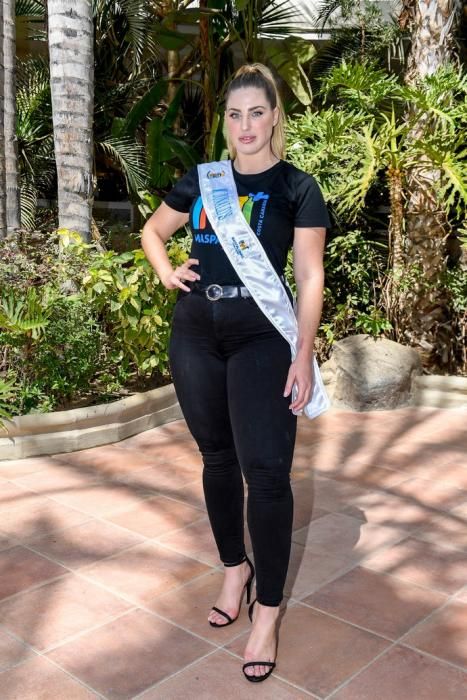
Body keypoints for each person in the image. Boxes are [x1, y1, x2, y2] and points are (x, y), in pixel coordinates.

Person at [141, 62, 330, 682]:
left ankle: (268, 613)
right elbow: (153, 231)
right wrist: (166, 269)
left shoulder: (298, 188)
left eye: (256, 112)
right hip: (196, 330)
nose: (245, 125)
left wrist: (303, 353)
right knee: (217, 460)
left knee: (268, 475)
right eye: (234, 114)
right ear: (225, 123)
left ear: (275, 116)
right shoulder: (204, 180)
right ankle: (234, 570)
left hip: (260, 339)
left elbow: (308, 277)